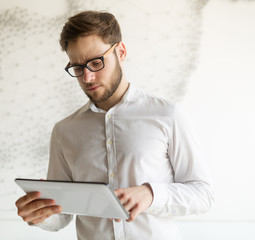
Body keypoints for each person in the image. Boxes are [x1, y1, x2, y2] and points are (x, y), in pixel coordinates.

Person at [15, 10, 214, 240]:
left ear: (121, 52)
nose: (87, 78)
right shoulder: (64, 131)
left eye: (96, 63)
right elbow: (61, 214)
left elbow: (203, 194)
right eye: (78, 68)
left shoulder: (167, 115)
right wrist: (39, 214)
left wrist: (151, 194)